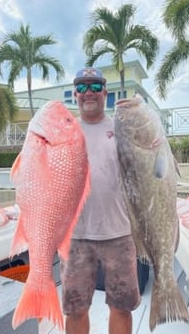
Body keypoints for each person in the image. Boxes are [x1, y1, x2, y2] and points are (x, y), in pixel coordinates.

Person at [59, 67, 141, 334]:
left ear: (105, 92)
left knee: (121, 307)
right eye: (82, 88)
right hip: (75, 237)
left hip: (119, 233)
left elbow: (143, 169)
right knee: (76, 308)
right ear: (75, 95)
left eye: (95, 86)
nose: (88, 92)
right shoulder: (64, 132)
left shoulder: (121, 129)